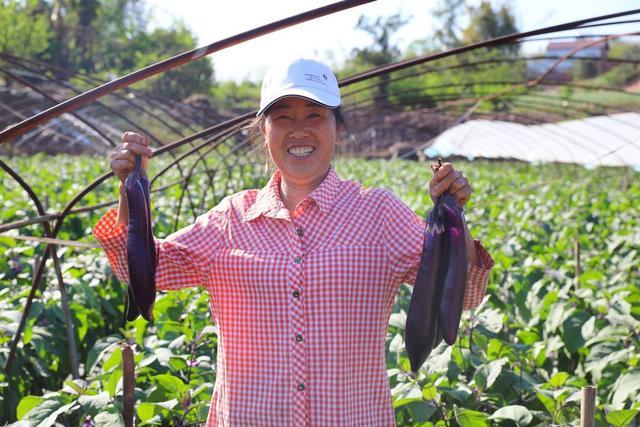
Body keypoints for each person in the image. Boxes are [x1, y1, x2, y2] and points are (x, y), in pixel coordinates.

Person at [93, 57, 494, 426]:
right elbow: (142, 270)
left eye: (315, 115)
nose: (298, 130)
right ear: (263, 131)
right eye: (282, 117)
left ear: (337, 128)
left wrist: (454, 215)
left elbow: (463, 295)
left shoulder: (379, 214)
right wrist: (131, 189)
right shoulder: (230, 218)